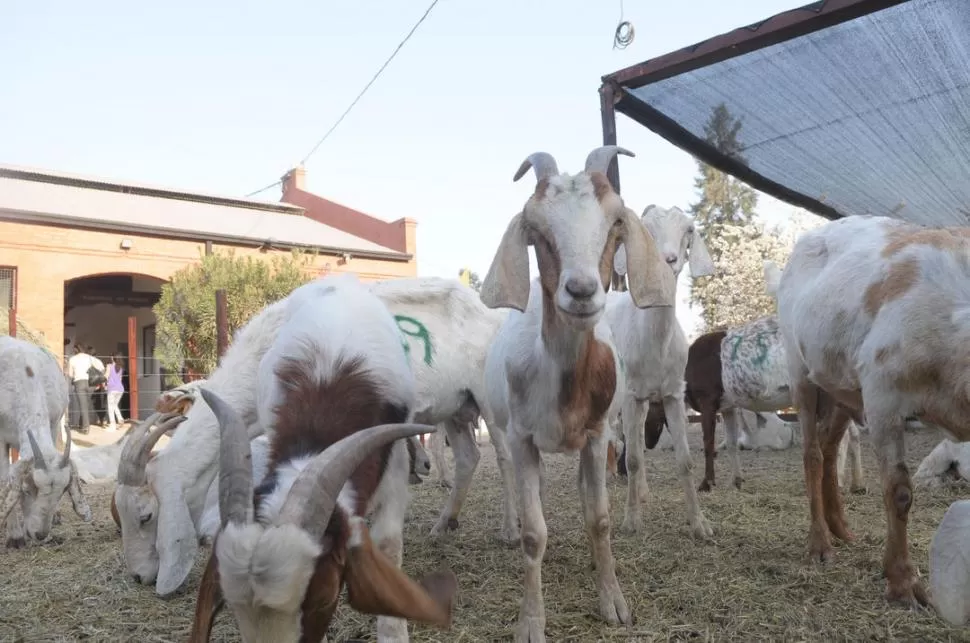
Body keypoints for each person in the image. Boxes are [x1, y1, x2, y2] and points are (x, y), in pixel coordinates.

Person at [67, 344, 95, 434]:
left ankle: (86, 427)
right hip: (90, 382)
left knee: (83, 406)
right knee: (86, 404)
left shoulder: (72, 359)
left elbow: (70, 374)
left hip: (79, 383)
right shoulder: (89, 357)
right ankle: (81, 424)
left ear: (75, 350)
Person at [105, 353, 126, 431]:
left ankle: (112, 424)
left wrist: (104, 384)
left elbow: (106, 376)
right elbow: (120, 379)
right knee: (114, 405)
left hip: (112, 389)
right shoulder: (121, 368)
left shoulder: (109, 366)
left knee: (111, 407)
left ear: (112, 358)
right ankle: (120, 419)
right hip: (120, 389)